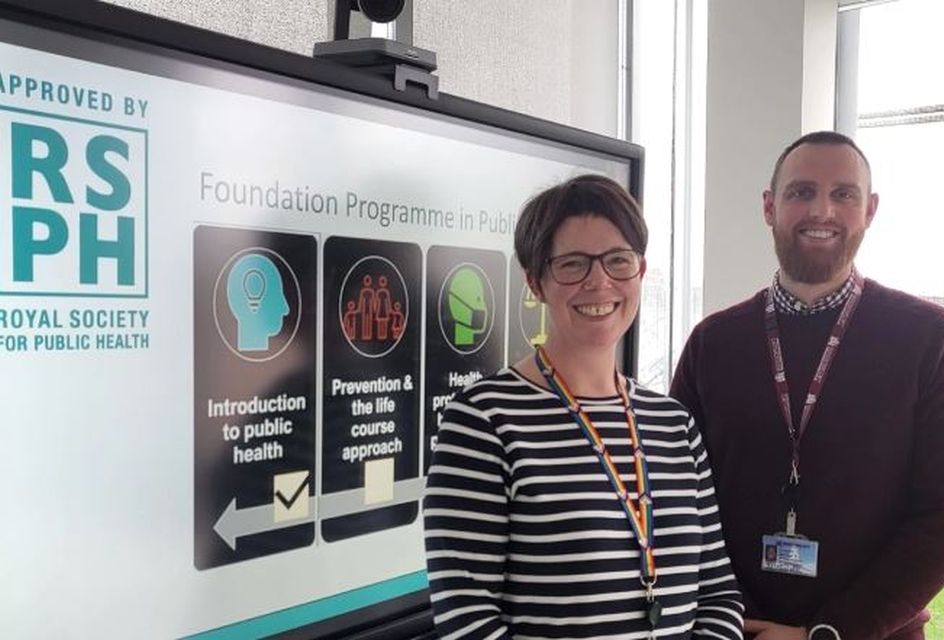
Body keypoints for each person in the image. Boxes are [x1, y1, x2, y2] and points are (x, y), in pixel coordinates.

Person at [423, 174, 744, 639]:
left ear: (640, 270)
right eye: (573, 264)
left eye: (618, 261)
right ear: (536, 282)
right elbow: (467, 620)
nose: (599, 281)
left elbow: (717, 595)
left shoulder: (674, 425)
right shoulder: (483, 421)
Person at [670, 131, 944, 640]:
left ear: (871, 209)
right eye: (801, 192)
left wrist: (828, 632)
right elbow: (677, 501)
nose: (822, 210)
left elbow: (938, 517)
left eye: (844, 194)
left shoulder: (929, 339)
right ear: (770, 207)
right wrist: (735, 618)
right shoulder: (713, 343)